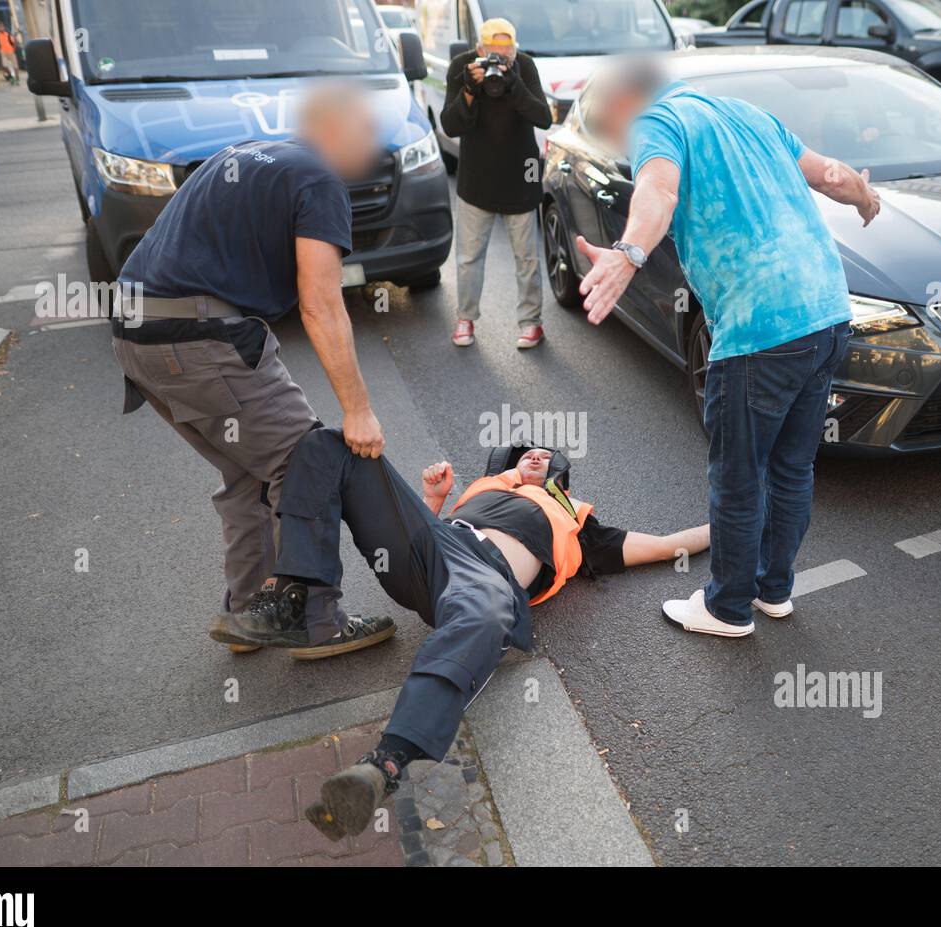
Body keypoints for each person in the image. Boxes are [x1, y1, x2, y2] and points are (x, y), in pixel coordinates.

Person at [211, 437, 709, 837]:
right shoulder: (481, 490)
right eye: (524, 451)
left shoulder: (580, 522)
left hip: (484, 581)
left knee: (485, 617)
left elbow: (668, 546)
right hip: (431, 548)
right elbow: (425, 529)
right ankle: (292, 595)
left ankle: (384, 764)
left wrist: (735, 523)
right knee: (329, 444)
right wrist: (434, 503)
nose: (535, 454)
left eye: (545, 453)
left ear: (558, 472)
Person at [573, 59, 879, 637]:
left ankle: (727, 609)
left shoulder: (656, 123)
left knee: (739, 475)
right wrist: (866, 198)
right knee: (791, 467)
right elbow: (833, 176)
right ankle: (773, 591)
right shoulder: (750, 115)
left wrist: (629, 254)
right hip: (828, 313)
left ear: (623, 104)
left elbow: (658, 190)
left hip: (759, 328)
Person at [113, 84, 395, 654]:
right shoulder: (318, 181)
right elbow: (321, 303)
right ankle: (314, 623)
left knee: (250, 472)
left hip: (136, 335)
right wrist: (357, 408)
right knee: (308, 462)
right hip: (199, 339)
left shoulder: (242, 153)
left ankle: (248, 613)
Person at [440, 18, 552, 349]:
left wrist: (513, 80)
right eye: (495, 56)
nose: (500, 62)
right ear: (480, 51)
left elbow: (542, 117)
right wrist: (471, 89)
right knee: (469, 257)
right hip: (477, 177)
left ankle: (532, 323)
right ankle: (465, 319)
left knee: (527, 259)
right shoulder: (462, 67)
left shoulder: (524, 66)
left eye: (506, 55)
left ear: (514, 52)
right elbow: (449, 125)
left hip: (522, 176)